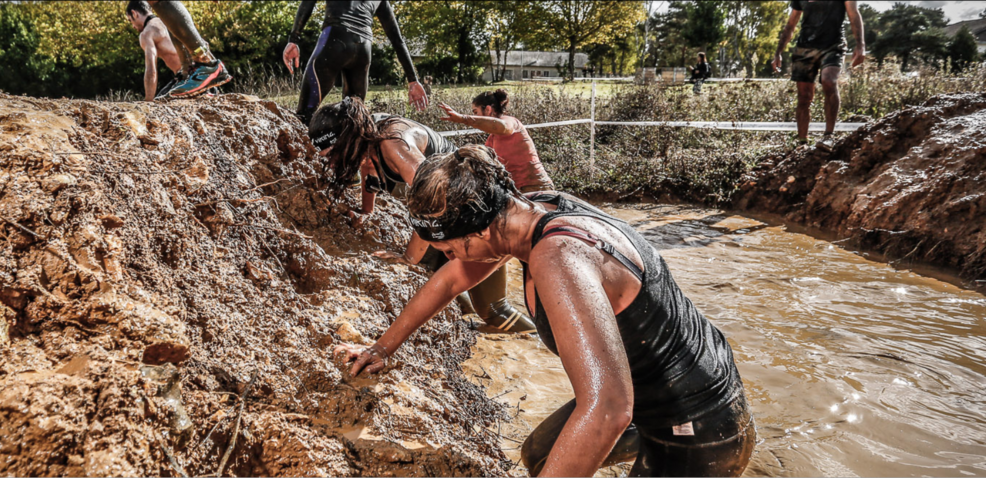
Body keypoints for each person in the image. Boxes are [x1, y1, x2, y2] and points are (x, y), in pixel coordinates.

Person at [335, 145, 755, 476]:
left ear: (476, 235)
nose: (448, 260)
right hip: (647, 395)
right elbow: (452, 280)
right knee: (541, 456)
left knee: (586, 439)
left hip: (700, 424)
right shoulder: (524, 211)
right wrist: (383, 348)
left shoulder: (559, 257)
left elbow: (607, 410)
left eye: (445, 250)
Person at [309, 98, 534, 334]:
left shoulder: (392, 144)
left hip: (479, 214)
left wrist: (408, 258)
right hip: (451, 216)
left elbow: (433, 203)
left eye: (331, 154)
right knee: (446, 290)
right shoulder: (365, 135)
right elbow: (368, 167)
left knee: (493, 310)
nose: (330, 163)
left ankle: (536, 343)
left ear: (347, 140)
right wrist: (367, 210)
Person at [283, 1, 428, 125]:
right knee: (352, 123)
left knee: (304, 116)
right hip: (363, 49)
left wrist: (293, 39)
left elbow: (308, 2)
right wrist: (413, 80)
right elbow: (397, 40)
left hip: (335, 39)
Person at [773, 0, 864, 152]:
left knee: (828, 80)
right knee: (804, 96)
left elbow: (854, 14)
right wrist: (778, 53)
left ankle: (828, 136)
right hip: (804, 48)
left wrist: (860, 45)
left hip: (833, 45)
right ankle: (802, 142)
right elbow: (791, 24)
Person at [436, 89, 556, 194]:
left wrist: (463, 119)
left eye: (475, 112)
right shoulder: (491, 140)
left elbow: (503, 126)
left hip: (536, 189)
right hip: (516, 192)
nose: (475, 116)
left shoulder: (510, 121)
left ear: (488, 109)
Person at [126, 0, 232, 99]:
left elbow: (151, 70)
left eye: (130, 20)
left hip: (193, 79)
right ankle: (203, 66)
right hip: (196, 79)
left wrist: (148, 101)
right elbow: (204, 42)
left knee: (160, 104)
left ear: (134, 13)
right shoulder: (170, 19)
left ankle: (204, 65)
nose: (133, 26)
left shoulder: (147, 34)